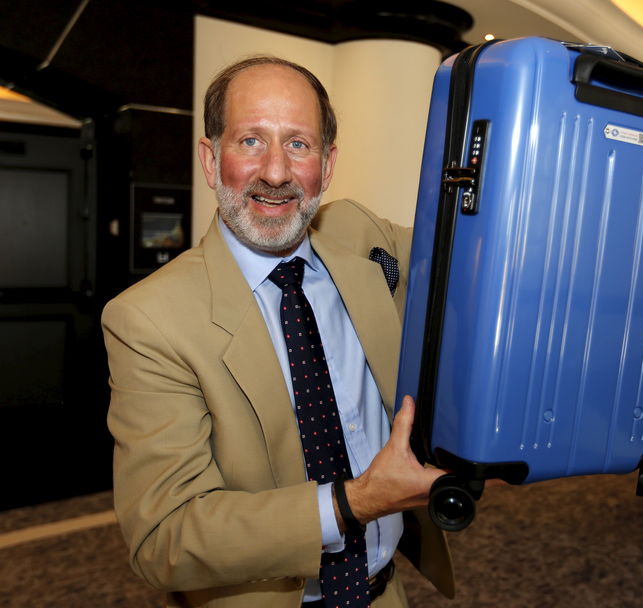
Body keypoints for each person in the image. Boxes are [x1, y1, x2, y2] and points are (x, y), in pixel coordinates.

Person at [102, 56, 454, 608]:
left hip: (387, 594)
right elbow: (164, 538)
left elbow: (476, 266)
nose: (275, 172)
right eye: (249, 141)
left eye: (298, 144)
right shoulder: (148, 320)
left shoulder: (360, 235)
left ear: (328, 164)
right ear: (210, 159)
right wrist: (354, 502)